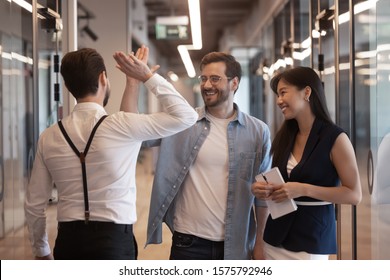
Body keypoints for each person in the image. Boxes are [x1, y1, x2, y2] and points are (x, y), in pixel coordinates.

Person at [24, 46, 198, 260]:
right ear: (103, 78)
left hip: (68, 241)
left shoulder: (49, 136)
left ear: (68, 86)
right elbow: (187, 116)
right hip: (113, 241)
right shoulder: (121, 125)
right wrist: (147, 76)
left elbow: (34, 205)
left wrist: (41, 251)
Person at [139, 52, 272, 260]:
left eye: (215, 79)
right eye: (204, 78)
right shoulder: (182, 122)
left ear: (234, 83)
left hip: (237, 245)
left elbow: (263, 197)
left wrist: (260, 245)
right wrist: (132, 81)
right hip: (188, 243)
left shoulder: (258, 132)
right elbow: (132, 131)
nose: (207, 85)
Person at [251, 66, 362, 260]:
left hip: (311, 241)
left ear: (307, 92)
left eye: (283, 93)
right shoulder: (285, 136)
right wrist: (263, 190)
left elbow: (354, 194)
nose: (279, 101)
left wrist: (303, 189)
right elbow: (284, 183)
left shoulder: (335, 138)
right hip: (275, 238)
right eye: (277, 95)